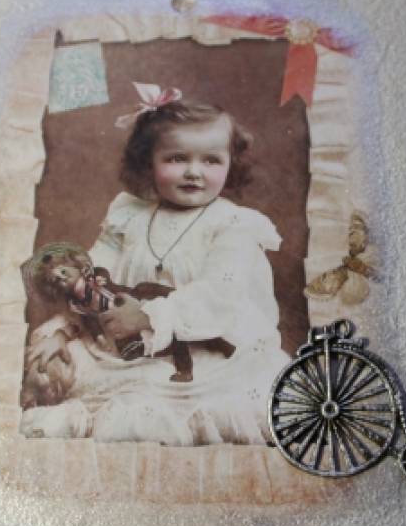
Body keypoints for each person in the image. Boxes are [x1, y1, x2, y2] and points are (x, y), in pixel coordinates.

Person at [20, 84, 291, 446]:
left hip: (205, 354)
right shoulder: (128, 216)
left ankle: (111, 418)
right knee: (55, 359)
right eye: (177, 159)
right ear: (149, 162)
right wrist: (65, 330)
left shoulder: (234, 225)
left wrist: (148, 317)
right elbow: (91, 277)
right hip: (123, 350)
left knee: (176, 403)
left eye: (211, 161)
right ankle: (79, 414)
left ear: (231, 164)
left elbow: (220, 293)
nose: (194, 172)